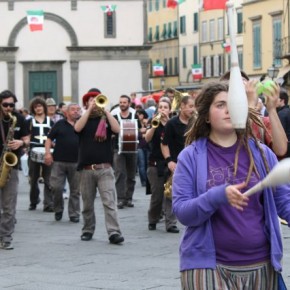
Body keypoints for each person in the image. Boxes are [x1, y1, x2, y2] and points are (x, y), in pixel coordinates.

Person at [172, 81, 290, 290]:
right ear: (206, 116)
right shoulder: (190, 156)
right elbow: (183, 213)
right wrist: (218, 196)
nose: (229, 109)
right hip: (207, 267)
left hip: (262, 266)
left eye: (234, 103)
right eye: (220, 105)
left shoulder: (263, 154)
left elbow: (284, 202)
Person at [74, 88, 124, 244]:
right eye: (91, 100)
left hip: (105, 168)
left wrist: (106, 112)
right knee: (87, 203)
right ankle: (88, 229)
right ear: (86, 103)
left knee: (109, 202)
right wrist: (89, 110)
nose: (94, 102)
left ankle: (114, 232)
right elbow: (77, 128)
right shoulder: (83, 118)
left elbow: (117, 129)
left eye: (97, 99)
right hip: (86, 169)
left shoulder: (107, 119)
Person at [0, 90, 29, 250]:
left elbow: (27, 139)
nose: (9, 108)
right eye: (5, 105)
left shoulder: (19, 118)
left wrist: (21, 143)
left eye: (11, 105)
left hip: (10, 166)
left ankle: (6, 237)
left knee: (9, 205)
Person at [145, 98, 178, 233]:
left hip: (171, 163)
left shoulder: (174, 124)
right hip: (155, 164)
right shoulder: (154, 123)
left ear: (170, 110)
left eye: (165, 107)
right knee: (157, 196)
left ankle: (171, 223)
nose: (162, 110)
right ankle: (153, 219)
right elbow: (147, 139)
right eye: (160, 107)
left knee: (170, 195)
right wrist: (154, 125)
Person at [44, 103, 81, 223]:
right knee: (56, 187)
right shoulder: (59, 124)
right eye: (73, 110)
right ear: (67, 113)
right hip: (58, 161)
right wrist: (48, 153)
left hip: (76, 162)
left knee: (75, 190)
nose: (76, 111)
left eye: (78, 110)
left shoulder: (82, 124)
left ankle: (74, 213)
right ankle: (58, 209)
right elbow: (49, 138)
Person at [28, 97, 54, 211]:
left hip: (47, 152)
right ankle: (34, 201)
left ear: (44, 107)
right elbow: (26, 136)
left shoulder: (50, 122)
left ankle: (48, 204)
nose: (38, 108)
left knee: (48, 178)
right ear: (33, 109)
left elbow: (54, 137)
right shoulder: (29, 121)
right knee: (33, 179)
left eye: (40, 106)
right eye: (35, 107)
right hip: (34, 151)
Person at [113, 95, 138, 209]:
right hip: (118, 149)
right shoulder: (115, 116)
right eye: (121, 102)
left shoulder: (134, 115)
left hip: (132, 149)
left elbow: (141, 129)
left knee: (131, 175)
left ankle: (129, 198)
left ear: (129, 103)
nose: (122, 104)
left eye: (124, 102)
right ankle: (120, 199)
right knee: (119, 174)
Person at [136, 109, 149, 187]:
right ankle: (143, 181)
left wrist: (147, 125)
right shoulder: (136, 124)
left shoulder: (147, 122)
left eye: (140, 114)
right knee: (141, 164)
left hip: (147, 146)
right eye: (137, 114)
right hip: (139, 146)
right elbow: (134, 134)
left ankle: (148, 180)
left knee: (147, 163)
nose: (139, 116)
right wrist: (141, 134)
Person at [276, 88, 290, 158]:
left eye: (276, 99)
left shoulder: (281, 114)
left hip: (285, 150)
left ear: (282, 101)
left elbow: (280, 133)